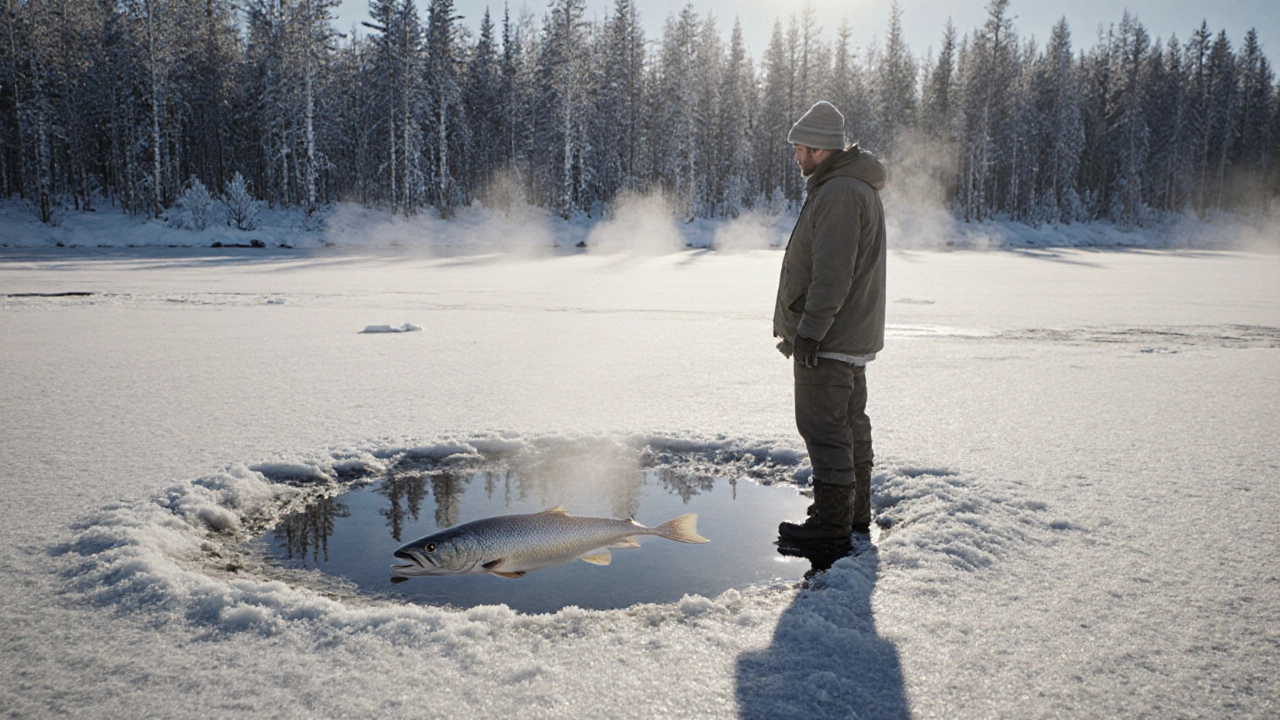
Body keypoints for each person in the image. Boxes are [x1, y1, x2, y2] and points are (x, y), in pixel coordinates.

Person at [774, 100, 887, 543]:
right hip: (848, 335)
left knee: (824, 428)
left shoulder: (839, 192)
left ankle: (830, 527)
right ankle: (852, 514)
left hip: (830, 339)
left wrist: (809, 333)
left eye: (800, 148)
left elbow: (832, 275)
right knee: (849, 425)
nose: (796, 156)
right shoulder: (850, 186)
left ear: (820, 149)